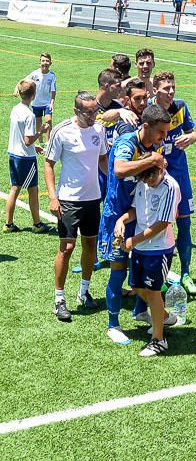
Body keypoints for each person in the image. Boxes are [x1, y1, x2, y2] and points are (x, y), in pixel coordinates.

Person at [98, 104, 170, 344]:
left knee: (140, 269)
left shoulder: (154, 145)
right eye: (161, 132)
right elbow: (119, 170)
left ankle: (140, 312)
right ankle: (113, 324)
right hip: (117, 213)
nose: (164, 137)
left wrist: (157, 165)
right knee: (119, 270)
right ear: (146, 126)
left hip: (138, 213)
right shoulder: (127, 143)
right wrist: (151, 160)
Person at [44, 91, 109, 322]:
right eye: (88, 112)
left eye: (95, 111)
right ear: (76, 111)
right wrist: (53, 197)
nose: (93, 116)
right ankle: (59, 299)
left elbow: (102, 159)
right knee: (67, 247)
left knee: (90, 244)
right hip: (69, 199)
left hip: (93, 198)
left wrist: (112, 182)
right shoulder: (62, 131)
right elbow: (49, 164)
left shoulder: (99, 130)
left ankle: (84, 291)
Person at [115, 154, 181, 357]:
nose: (147, 183)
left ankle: (159, 340)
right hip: (141, 247)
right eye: (143, 179)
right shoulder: (144, 182)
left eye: (150, 178)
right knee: (135, 286)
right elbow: (135, 209)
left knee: (153, 292)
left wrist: (133, 241)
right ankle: (165, 317)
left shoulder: (171, 187)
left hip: (159, 249)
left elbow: (162, 224)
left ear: (160, 170)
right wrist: (122, 220)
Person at [151, 71, 196, 295]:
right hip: (156, 179)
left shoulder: (180, 106)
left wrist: (192, 137)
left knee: (185, 224)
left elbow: (192, 132)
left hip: (180, 175)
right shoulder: (148, 111)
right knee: (160, 226)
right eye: (165, 89)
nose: (170, 92)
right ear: (155, 90)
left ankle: (186, 273)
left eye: (172, 87)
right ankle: (160, 274)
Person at [4, 80, 51, 234]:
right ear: (34, 95)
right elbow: (27, 139)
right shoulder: (29, 115)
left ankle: (8, 224)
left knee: (14, 188)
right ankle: (37, 224)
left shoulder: (15, 109)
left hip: (14, 154)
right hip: (25, 158)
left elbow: (20, 135)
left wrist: (33, 145)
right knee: (33, 189)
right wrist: (41, 131)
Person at [26, 53, 56, 143]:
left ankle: (49, 142)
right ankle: (41, 142)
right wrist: (17, 88)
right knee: (38, 122)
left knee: (48, 120)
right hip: (36, 103)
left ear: (50, 63)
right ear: (40, 62)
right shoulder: (35, 74)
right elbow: (25, 80)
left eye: (47, 61)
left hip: (47, 103)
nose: (45, 63)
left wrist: (52, 103)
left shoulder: (52, 75)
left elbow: (53, 90)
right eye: (43, 61)